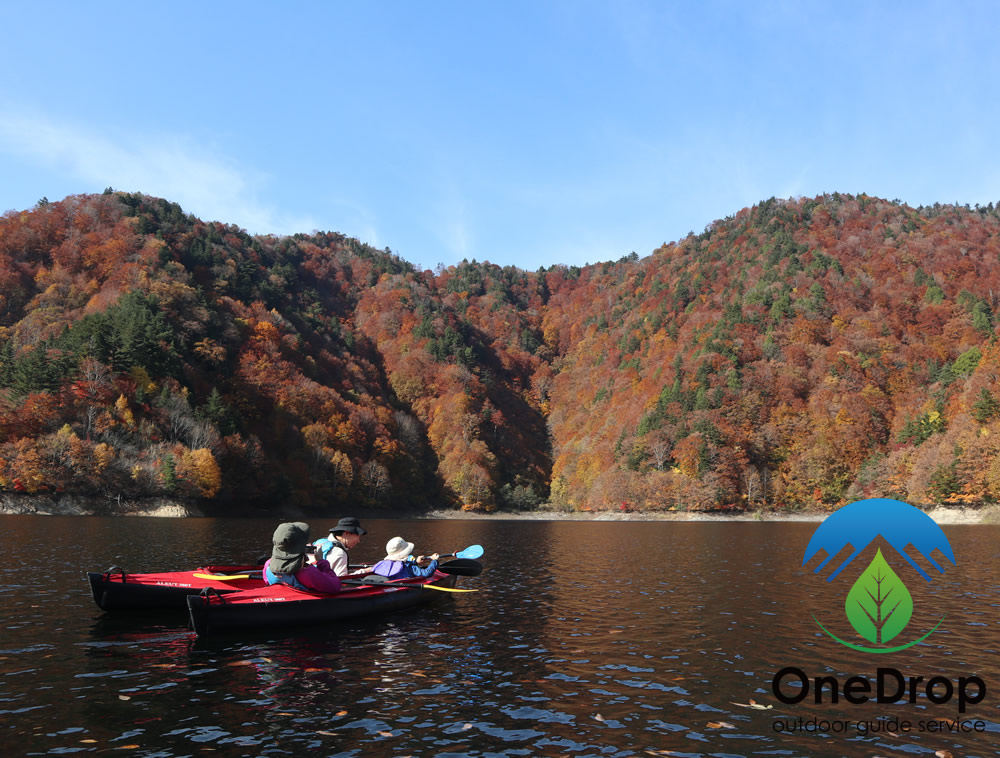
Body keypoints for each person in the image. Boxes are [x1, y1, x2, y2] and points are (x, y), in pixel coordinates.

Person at [263, 522, 341, 593]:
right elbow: (335, 586)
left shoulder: (268, 565)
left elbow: (267, 582)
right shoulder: (308, 573)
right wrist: (321, 562)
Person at [372, 536, 440, 579]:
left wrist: (415, 561)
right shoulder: (410, 567)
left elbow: (402, 562)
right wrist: (434, 560)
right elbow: (427, 573)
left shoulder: (384, 564)